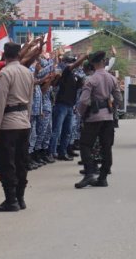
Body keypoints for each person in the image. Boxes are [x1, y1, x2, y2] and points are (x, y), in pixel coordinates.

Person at [0, 42, 35, 212]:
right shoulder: (28, 73)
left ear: (5, 55)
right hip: (24, 121)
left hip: (8, 123)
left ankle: (11, 200)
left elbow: (0, 101)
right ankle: (20, 197)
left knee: (7, 163)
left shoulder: (5, 73)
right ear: (18, 55)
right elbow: (30, 100)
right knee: (21, 161)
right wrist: (28, 119)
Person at [74, 51, 123, 189]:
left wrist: (81, 113)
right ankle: (103, 177)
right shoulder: (111, 78)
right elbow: (119, 99)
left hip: (93, 117)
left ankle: (89, 172)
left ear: (93, 63)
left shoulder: (91, 79)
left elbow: (83, 101)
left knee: (85, 145)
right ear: (104, 62)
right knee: (106, 146)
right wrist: (113, 110)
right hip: (107, 117)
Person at [49, 51, 87, 161]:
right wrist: (84, 57)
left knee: (67, 131)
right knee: (57, 130)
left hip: (70, 105)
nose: (72, 64)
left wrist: (80, 81)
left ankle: (63, 152)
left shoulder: (75, 75)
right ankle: (51, 152)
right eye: (70, 62)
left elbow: (79, 87)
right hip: (61, 105)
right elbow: (72, 67)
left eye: (72, 62)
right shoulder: (65, 71)